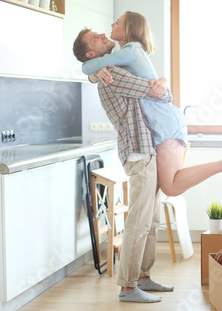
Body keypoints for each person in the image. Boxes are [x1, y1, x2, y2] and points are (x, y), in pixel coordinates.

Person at [79, 11, 222, 197]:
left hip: (164, 123)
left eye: (117, 22)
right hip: (161, 124)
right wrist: (95, 73)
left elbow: (87, 66)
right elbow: (93, 67)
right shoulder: (127, 54)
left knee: (171, 187)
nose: (111, 25)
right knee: (170, 186)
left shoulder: (130, 51)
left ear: (128, 30)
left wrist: (94, 70)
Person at [74, 35, 172, 303]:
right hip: (139, 152)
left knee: (150, 221)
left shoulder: (106, 71)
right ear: (92, 55)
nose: (104, 35)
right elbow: (161, 93)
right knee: (139, 222)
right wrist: (162, 83)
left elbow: (159, 92)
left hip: (147, 150)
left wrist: (161, 84)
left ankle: (143, 276)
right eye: (96, 37)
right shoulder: (112, 73)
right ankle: (128, 287)